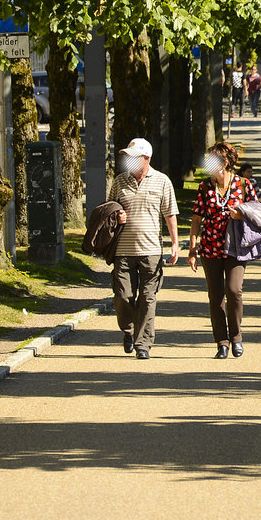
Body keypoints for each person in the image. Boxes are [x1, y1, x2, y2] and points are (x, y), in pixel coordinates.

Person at [107, 137, 180, 359]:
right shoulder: (120, 181)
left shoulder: (162, 181)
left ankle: (143, 345)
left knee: (148, 298)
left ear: (146, 158)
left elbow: (170, 214)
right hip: (123, 250)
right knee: (123, 296)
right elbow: (108, 209)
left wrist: (175, 243)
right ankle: (129, 330)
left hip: (151, 251)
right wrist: (116, 216)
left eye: (133, 158)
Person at [188, 142, 260, 359]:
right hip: (210, 248)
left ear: (226, 162)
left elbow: (258, 213)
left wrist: (241, 215)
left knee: (234, 289)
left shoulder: (244, 185)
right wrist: (193, 250)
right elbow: (196, 220)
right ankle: (222, 342)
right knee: (215, 296)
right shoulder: (205, 187)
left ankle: (236, 336)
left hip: (236, 247)